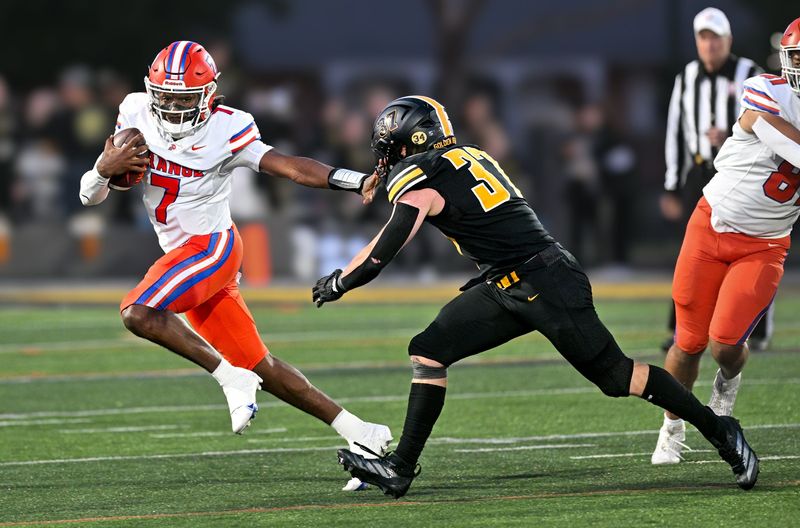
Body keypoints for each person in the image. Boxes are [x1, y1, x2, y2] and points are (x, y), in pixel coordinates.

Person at [312, 95, 759, 498]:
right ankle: (401, 468)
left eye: (391, 146)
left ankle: (721, 431)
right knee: (428, 351)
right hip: (507, 282)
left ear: (413, 141)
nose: (388, 157)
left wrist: (341, 283)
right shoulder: (466, 155)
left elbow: (383, 251)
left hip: (544, 282)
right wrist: (342, 274)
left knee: (618, 376)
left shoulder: (421, 174)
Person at [78, 41, 391, 472]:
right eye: (164, 96)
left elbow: (290, 167)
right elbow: (88, 196)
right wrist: (102, 168)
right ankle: (363, 432)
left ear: (208, 96)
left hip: (212, 248)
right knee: (261, 364)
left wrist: (355, 181)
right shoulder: (133, 111)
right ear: (150, 90)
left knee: (139, 312)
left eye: (182, 99)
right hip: (183, 255)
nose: (170, 107)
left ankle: (229, 377)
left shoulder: (228, 127)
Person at [652, 19, 800, 465]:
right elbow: (770, 127)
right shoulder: (765, 88)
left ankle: (725, 389)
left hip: (764, 245)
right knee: (687, 342)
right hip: (710, 226)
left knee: (725, 343)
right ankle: (672, 426)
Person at [661, 7, 769, 353]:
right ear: (697, 42)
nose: (709, 45)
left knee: (750, 248)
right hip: (700, 171)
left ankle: (754, 330)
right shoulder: (686, 77)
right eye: (703, 38)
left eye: (715, 38)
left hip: (739, 172)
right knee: (691, 253)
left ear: (728, 40)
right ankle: (680, 331)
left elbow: (769, 121)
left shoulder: (750, 74)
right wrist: (672, 185)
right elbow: (674, 133)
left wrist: (735, 134)